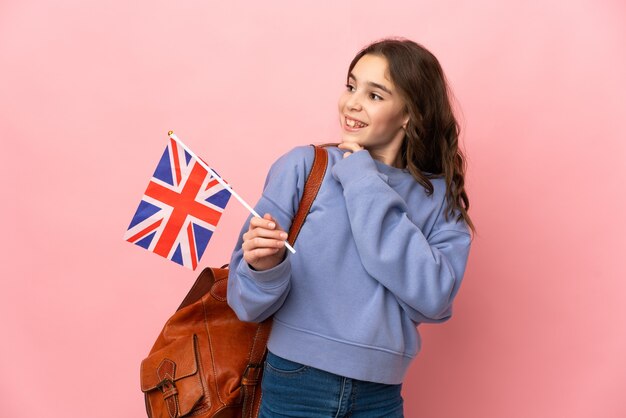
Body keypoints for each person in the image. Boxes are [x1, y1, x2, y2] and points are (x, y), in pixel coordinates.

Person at [227, 37, 474, 418]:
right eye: (351, 86)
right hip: (295, 383)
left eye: (375, 95)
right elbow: (244, 301)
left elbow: (435, 297)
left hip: (380, 395)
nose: (352, 103)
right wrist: (265, 266)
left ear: (408, 112)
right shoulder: (304, 167)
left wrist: (362, 177)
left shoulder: (439, 198)